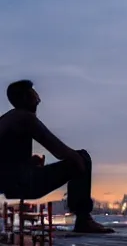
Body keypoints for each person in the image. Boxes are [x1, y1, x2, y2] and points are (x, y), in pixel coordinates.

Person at [0, 80, 114, 233]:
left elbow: (7, 160)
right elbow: (59, 151)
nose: (38, 98)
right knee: (82, 157)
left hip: (8, 184)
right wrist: (77, 160)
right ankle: (83, 219)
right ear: (26, 97)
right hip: (21, 184)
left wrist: (28, 163)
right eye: (33, 93)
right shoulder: (25, 118)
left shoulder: (6, 119)